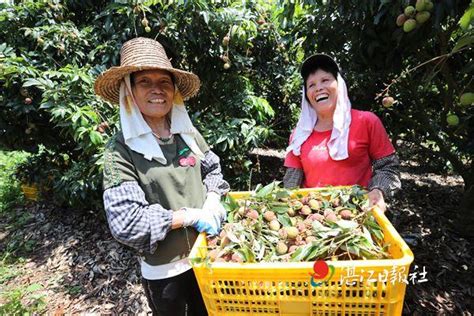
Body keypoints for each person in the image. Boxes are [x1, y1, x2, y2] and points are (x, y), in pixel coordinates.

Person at [94, 37, 230, 316]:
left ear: (174, 91)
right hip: (167, 272)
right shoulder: (120, 150)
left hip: (207, 257)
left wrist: (214, 199)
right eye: (145, 81)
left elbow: (212, 169)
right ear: (129, 91)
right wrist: (188, 216)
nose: (157, 90)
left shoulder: (187, 135)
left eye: (164, 82)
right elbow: (126, 222)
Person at [283, 54, 401, 211]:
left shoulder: (366, 121)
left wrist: (378, 191)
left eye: (325, 80)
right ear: (307, 96)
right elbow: (292, 182)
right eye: (311, 85)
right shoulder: (299, 135)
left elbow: (388, 167)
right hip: (312, 219)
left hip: (358, 216)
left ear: (339, 85)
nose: (318, 88)